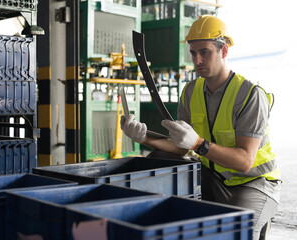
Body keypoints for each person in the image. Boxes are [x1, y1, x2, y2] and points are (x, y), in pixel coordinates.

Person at [120, 15, 281, 240]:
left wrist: (198, 143)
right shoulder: (191, 92)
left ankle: (258, 224)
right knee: (158, 158)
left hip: (254, 183)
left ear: (223, 51)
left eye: (204, 52)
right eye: (193, 53)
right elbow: (179, 148)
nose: (197, 60)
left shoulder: (250, 95)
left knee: (236, 231)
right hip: (213, 177)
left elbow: (245, 161)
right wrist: (143, 137)